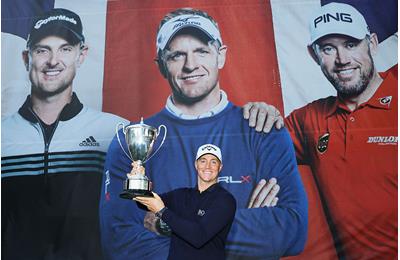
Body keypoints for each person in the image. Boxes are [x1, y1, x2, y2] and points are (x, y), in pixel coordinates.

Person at [100, 7, 308, 260]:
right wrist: (247, 225)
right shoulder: (130, 143)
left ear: (220, 56)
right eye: (177, 55)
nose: (191, 65)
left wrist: (169, 224)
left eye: (201, 51)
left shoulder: (263, 129)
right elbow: (119, 243)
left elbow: (293, 229)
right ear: (161, 65)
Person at [260, 2, 396, 259]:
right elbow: (243, 152)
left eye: (351, 44)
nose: (342, 59)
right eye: (328, 48)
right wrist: (256, 113)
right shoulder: (308, 120)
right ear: (314, 55)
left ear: (373, 44)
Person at [1, 8, 129, 260]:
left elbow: (132, 216)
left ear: (81, 56)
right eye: (42, 50)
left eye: (65, 49)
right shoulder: (2, 134)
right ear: (27, 58)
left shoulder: (115, 131)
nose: (53, 60)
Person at [134, 144, 236, 260]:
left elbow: (199, 236)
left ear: (220, 167)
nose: (208, 166)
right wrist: (139, 181)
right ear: (196, 165)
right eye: (203, 161)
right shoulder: (181, 195)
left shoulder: (225, 200)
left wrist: (162, 211)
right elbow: (144, 203)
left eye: (213, 162)